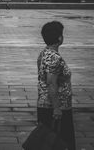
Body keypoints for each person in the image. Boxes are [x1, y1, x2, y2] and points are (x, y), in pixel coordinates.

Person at [37, 21, 76, 150]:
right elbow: (51, 83)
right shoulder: (53, 57)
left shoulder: (44, 53)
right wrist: (57, 108)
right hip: (55, 107)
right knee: (60, 143)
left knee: (48, 143)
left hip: (47, 105)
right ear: (59, 38)